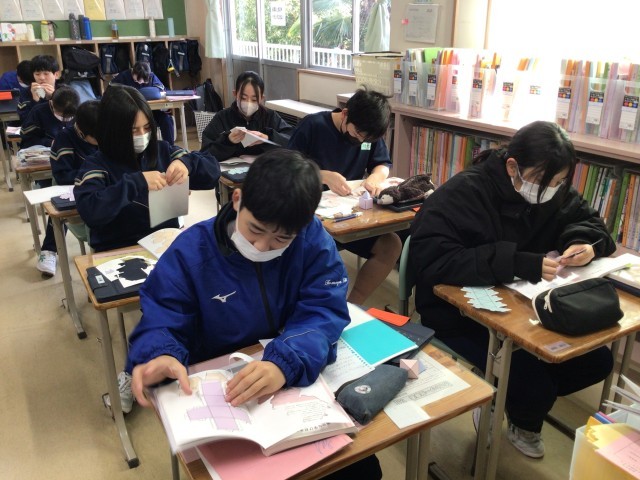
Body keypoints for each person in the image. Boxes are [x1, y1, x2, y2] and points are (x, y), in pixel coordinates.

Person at [123, 150, 381, 479]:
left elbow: (323, 310)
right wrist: (161, 352)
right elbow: (163, 313)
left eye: (281, 238)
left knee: (358, 466)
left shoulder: (311, 240)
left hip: (290, 371)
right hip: (221, 383)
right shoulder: (191, 251)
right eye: (255, 229)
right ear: (237, 199)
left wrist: (284, 362)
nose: (262, 246)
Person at [409, 120, 616, 459]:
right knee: (532, 381)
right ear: (511, 166)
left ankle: (508, 397)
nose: (550, 189)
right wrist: (517, 262)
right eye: (543, 181)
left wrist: (585, 243)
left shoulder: (553, 189)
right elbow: (433, 259)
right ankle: (520, 413)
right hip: (459, 312)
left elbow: (588, 221)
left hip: (529, 309)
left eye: (559, 182)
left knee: (596, 362)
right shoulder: (466, 191)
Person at [288, 88, 402, 305]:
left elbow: (382, 163)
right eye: (357, 134)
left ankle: (352, 306)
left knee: (391, 245)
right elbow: (286, 168)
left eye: (366, 138)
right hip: (309, 214)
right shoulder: (313, 126)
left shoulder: (367, 132)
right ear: (345, 113)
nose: (360, 140)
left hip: (349, 215)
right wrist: (322, 175)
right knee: (317, 251)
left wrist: (376, 177)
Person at [74, 85, 219, 253]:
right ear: (113, 130)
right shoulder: (96, 165)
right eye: (133, 130)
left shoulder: (162, 151)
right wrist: (137, 182)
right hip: (119, 251)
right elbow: (91, 211)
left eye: (147, 127)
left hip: (164, 245)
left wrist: (186, 164)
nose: (142, 135)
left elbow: (213, 171)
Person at [20, 86, 80, 277]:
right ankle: (49, 250)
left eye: (69, 117)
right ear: (52, 103)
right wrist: (51, 143)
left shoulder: (80, 113)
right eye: (61, 115)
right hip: (46, 164)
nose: (65, 120)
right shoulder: (39, 112)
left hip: (73, 165)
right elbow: (26, 140)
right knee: (60, 201)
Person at [200, 70, 293, 161]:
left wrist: (268, 137)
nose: (248, 103)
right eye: (243, 98)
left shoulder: (270, 116)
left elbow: (291, 140)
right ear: (235, 94)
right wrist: (228, 141)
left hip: (263, 168)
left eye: (254, 99)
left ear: (262, 98)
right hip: (229, 170)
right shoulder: (222, 117)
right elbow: (205, 153)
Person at [110, 61, 175, 145]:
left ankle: (170, 147)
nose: (141, 82)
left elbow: (161, 89)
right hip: (133, 111)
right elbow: (111, 90)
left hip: (152, 110)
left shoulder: (151, 76)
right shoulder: (124, 76)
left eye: (144, 80)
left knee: (166, 119)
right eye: (138, 79)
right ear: (133, 72)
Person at [17, 55, 62, 123]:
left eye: (46, 74)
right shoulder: (26, 93)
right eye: (37, 74)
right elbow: (24, 121)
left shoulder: (64, 92)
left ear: (56, 74)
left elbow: (68, 118)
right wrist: (35, 101)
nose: (41, 78)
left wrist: (54, 98)